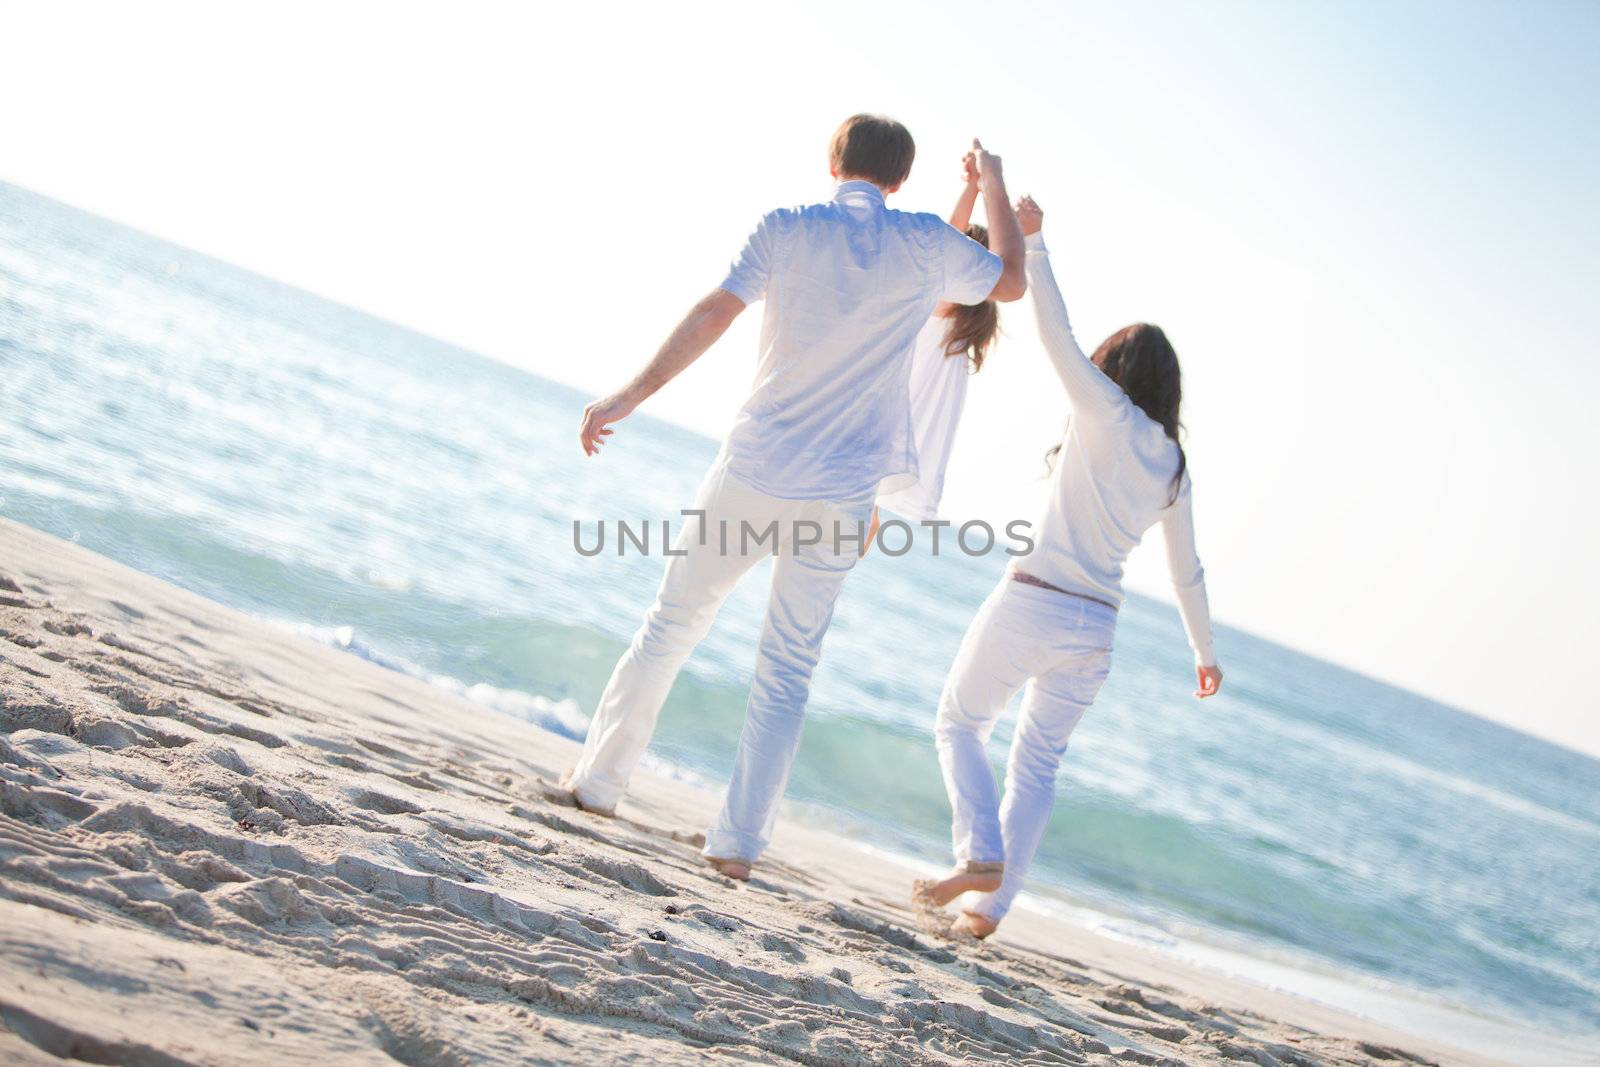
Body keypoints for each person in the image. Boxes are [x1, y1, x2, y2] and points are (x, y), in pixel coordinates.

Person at [568, 115, 1028, 880]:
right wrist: (994, 182)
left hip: (755, 469)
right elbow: (1008, 276)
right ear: (900, 181)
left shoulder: (785, 228)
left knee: (672, 622)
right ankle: (737, 844)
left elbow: (716, 311)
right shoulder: (922, 246)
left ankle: (598, 784)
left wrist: (629, 394)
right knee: (786, 669)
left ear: (833, 160)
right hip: (841, 497)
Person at [916, 195, 1222, 937]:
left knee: (959, 720)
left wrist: (1038, 244)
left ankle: (979, 851)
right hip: (1096, 631)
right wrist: (1204, 653)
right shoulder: (1172, 462)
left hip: (1034, 600)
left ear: (1116, 370)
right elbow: (1188, 571)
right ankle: (989, 909)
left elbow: (1056, 333)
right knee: (1038, 766)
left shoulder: (1104, 411)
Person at [873, 151, 1002, 528]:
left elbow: (948, 239)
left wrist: (974, 188)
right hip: (903, 436)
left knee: (853, 521)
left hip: (889, 429)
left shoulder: (947, 310)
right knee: (858, 522)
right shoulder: (959, 325)